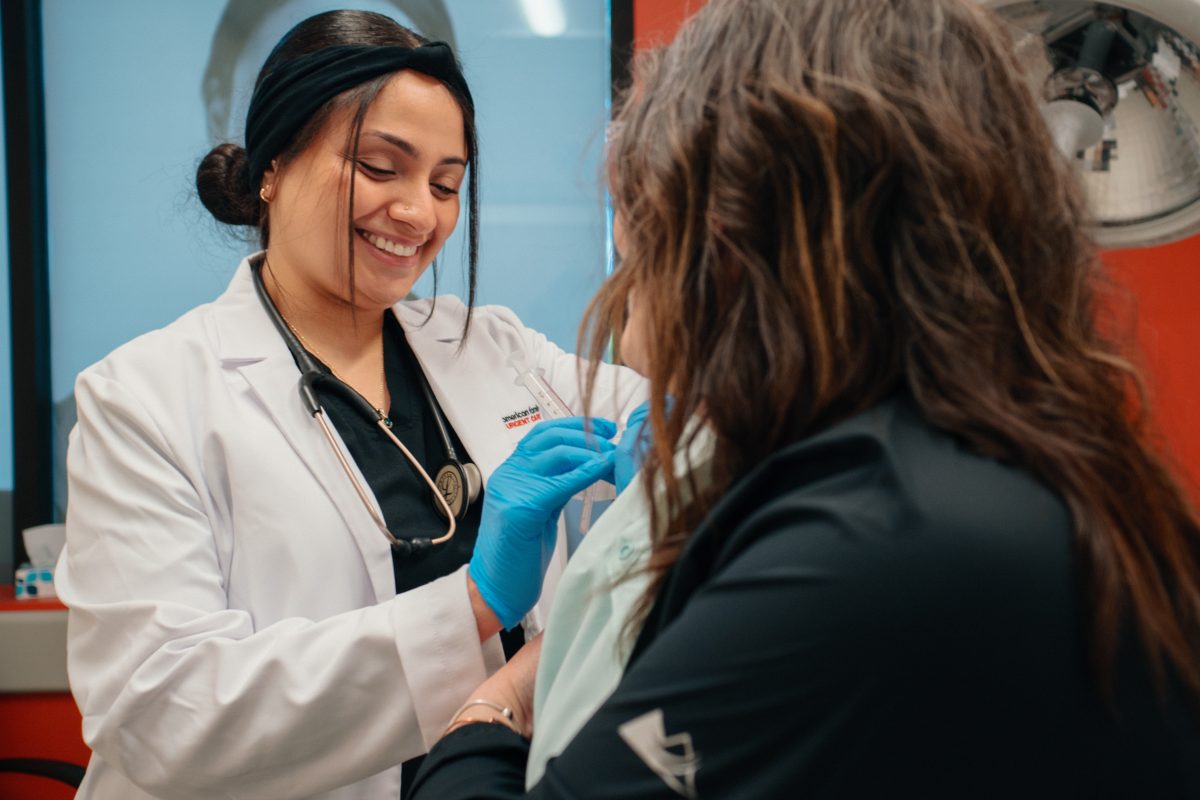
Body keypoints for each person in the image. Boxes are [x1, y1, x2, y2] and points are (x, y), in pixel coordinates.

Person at [406, 0, 1200, 796]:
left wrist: (487, 712)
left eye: (646, 209)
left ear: (742, 228)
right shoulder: (1000, 469)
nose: (626, 257)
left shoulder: (876, 539)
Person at [55, 9, 644, 800]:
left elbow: (700, 408)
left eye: (446, 185)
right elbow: (165, 715)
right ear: (273, 164)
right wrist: (471, 604)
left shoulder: (492, 347)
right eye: (379, 167)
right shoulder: (144, 399)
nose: (419, 213)